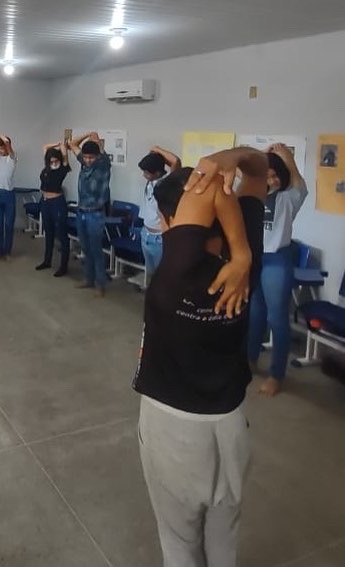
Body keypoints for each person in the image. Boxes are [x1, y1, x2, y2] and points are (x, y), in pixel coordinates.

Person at [134, 147, 269, 567]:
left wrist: (215, 165)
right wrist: (241, 252)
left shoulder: (176, 274)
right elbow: (259, 173)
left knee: (179, 543)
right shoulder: (243, 264)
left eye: (166, 220)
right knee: (224, 541)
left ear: (173, 223)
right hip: (229, 424)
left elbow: (206, 193)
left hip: (173, 430)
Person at [247, 144, 309, 396]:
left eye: (276, 175)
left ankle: (276, 375)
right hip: (256, 259)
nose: (272, 180)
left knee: (276, 319)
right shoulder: (254, 195)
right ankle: (250, 360)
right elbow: (243, 174)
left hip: (277, 262)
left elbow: (300, 185)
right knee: (255, 314)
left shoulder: (288, 198)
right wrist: (261, 157)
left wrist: (288, 157)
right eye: (267, 175)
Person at [68, 132, 111, 296]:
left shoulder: (103, 165)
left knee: (96, 249)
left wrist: (96, 139)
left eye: (91, 157)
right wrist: (87, 135)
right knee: (85, 248)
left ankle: (100, 284)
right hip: (81, 212)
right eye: (85, 157)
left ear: (97, 156)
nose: (87, 160)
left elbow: (100, 152)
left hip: (96, 214)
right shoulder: (84, 163)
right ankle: (88, 279)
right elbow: (72, 144)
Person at [138, 146, 182, 282]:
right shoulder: (150, 182)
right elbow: (151, 161)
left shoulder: (167, 185)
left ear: (157, 173)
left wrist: (157, 149)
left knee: (162, 276)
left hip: (159, 239)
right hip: (146, 234)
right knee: (151, 275)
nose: (144, 175)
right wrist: (155, 155)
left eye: (146, 173)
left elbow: (176, 162)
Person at [35, 141, 71, 277]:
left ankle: (64, 266)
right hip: (45, 202)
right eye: (51, 161)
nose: (54, 162)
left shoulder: (63, 168)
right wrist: (55, 144)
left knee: (61, 234)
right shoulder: (47, 167)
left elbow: (63, 149)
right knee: (48, 232)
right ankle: (47, 261)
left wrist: (61, 145)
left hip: (57, 202)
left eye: (56, 160)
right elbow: (45, 147)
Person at [0, 134, 17, 260]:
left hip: (8, 195)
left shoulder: (12, 158)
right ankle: (0, 251)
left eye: (3, 148)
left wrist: (4, 139)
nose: (1, 151)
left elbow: (7, 143)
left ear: (7, 147)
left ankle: (8, 252)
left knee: (9, 225)